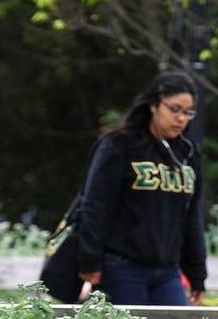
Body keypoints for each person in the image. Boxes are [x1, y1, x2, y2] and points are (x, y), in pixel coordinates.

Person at [77, 71, 207, 305]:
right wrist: (90, 260)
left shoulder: (188, 154)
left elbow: (191, 217)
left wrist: (197, 274)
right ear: (154, 104)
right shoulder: (119, 145)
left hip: (168, 272)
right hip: (122, 267)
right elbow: (95, 205)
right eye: (174, 109)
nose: (181, 119)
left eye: (188, 113)